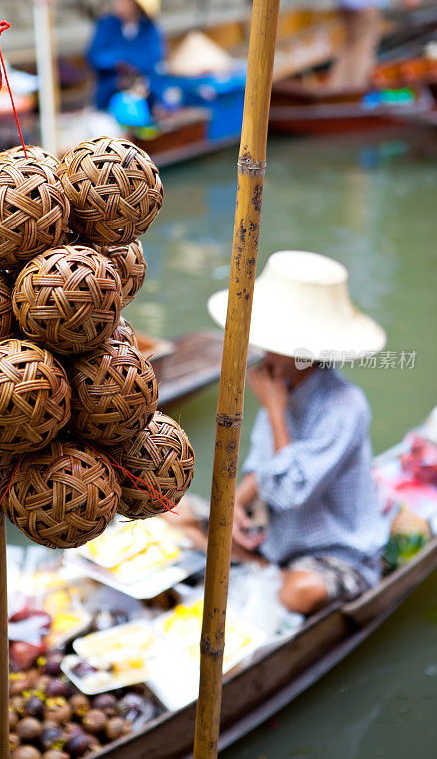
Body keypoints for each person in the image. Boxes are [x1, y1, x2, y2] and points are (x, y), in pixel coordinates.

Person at [170, 251, 390, 615]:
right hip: (275, 532)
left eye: (274, 344)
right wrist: (235, 504)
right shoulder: (282, 382)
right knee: (171, 512)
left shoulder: (344, 405)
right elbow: (261, 466)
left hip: (333, 550)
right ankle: (259, 565)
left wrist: (276, 411)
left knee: (298, 593)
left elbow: (290, 492)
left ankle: (260, 570)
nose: (263, 352)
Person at [320, 0, 420, 90]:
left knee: (349, 45)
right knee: (364, 48)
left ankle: (336, 89)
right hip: (367, 0)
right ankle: (353, 92)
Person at [86, 0, 165, 112]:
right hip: (108, 98)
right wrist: (120, 62)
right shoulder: (106, 25)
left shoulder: (149, 29)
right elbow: (95, 57)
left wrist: (128, 62)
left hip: (143, 100)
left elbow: (152, 60)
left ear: (136, 3)